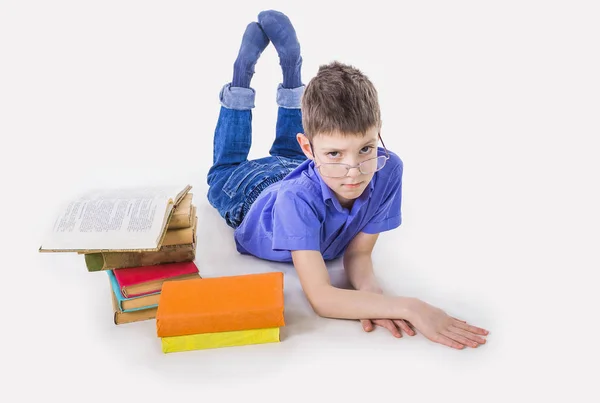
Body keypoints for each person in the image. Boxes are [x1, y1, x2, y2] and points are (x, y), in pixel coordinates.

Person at [207, 10, 489, 349]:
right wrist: (409, 306)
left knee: (290, 155)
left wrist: (373, 298)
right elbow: (322, 298)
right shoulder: (294, 200)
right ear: (310, 148)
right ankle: (243, 78)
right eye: (336, 153)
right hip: (251, 192)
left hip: (305, 172)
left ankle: (292, 68)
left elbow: (357, 256)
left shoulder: (387, 170)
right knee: (223, 170)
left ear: (378, 135)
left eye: (366, 148)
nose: (354, 171)